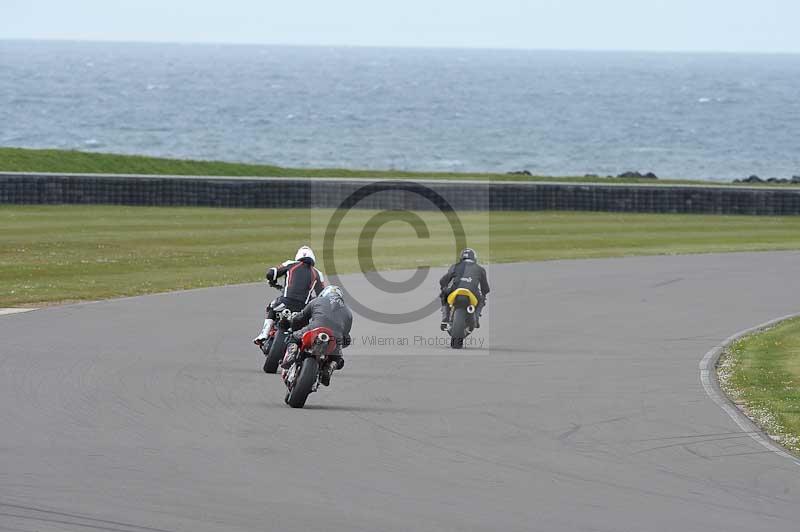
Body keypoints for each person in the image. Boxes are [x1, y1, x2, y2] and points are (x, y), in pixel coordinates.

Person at [253, 245, 326, 346]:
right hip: (303, 308)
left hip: (285, 302)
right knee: (310, 322)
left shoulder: (290, 264)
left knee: (271, 308)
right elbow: (321, 296)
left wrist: (272, 281)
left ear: (298, 256)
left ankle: (264, 334)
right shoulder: (318, 273)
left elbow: (271, 273)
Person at [281, 285, 353, 386]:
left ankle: (291, 354)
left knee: (293, 337)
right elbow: (346, 336)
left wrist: (292, 325)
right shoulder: (348, 312)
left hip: (314, 329)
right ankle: (329, 368)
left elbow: (300, 317)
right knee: (338, 359)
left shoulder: (317, 300)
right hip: (335, 338)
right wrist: (340, 343)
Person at [439, 248, 490, 330]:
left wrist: (443, 288)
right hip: (472, 291)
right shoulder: (480, 269)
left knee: (443, 295)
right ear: (474, 258)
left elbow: (443, 281)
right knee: (481, 299)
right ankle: (476, 318)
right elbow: (485, 288)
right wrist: (483, 294)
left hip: (456, 290)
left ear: (461, 258)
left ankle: (445, 318)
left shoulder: (455, 266)